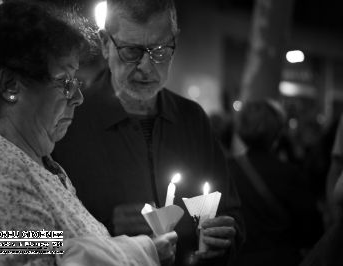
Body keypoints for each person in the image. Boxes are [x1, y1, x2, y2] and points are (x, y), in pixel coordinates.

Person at [0, 1, 177, 266]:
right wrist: (142, 253)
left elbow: (60, 249)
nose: (78, 97)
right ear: (10, 86)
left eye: (77, 82)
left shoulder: (27, 161)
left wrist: (143, 247)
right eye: (65, 82)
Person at [54, 0, 244, 265]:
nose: (146, 66)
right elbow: (15, 241)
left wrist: (224, 236)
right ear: (106, 44)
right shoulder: (68, 120)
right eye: (131, 51)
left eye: (160, 50)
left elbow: (231, 212)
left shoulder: (192, 119)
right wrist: (105, 229)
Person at [227, 100, 321, 266]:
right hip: (281, 259)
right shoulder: (289, 174)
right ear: (277, 131)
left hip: (237, 259)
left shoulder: (226, 169)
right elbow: (312, 229)